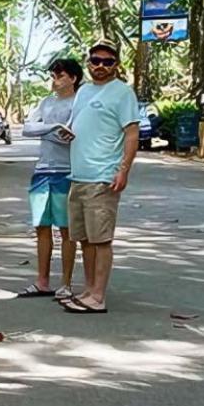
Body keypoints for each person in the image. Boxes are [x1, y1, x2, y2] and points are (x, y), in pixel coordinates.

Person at [59, 40, 140, 314]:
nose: (101, 67)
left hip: (103, 176)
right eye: (96, 61)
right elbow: (79, 124)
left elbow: (131, 133)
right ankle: (89, 289)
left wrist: (123, 169)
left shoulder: (123, 93)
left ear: (116, 65)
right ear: (88, 62)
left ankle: (98, 296)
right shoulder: (83, 92)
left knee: (101, 239)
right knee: (84, 238)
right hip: (78, 175)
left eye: (108, 62)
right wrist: (69, 132)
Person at [17, 58, 81, 299]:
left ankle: (65, 283)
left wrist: (49, 130)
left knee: (66, 229)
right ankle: (42, 281)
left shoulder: (78, 103)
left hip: (66, 171)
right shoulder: (45, 102)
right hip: (42, 171)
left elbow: (71, 135)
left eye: (60, 75)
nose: (55, 80)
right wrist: (53, 127)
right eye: (53, 76)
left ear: (73, 78)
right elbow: (27, 128)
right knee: (41, 227)